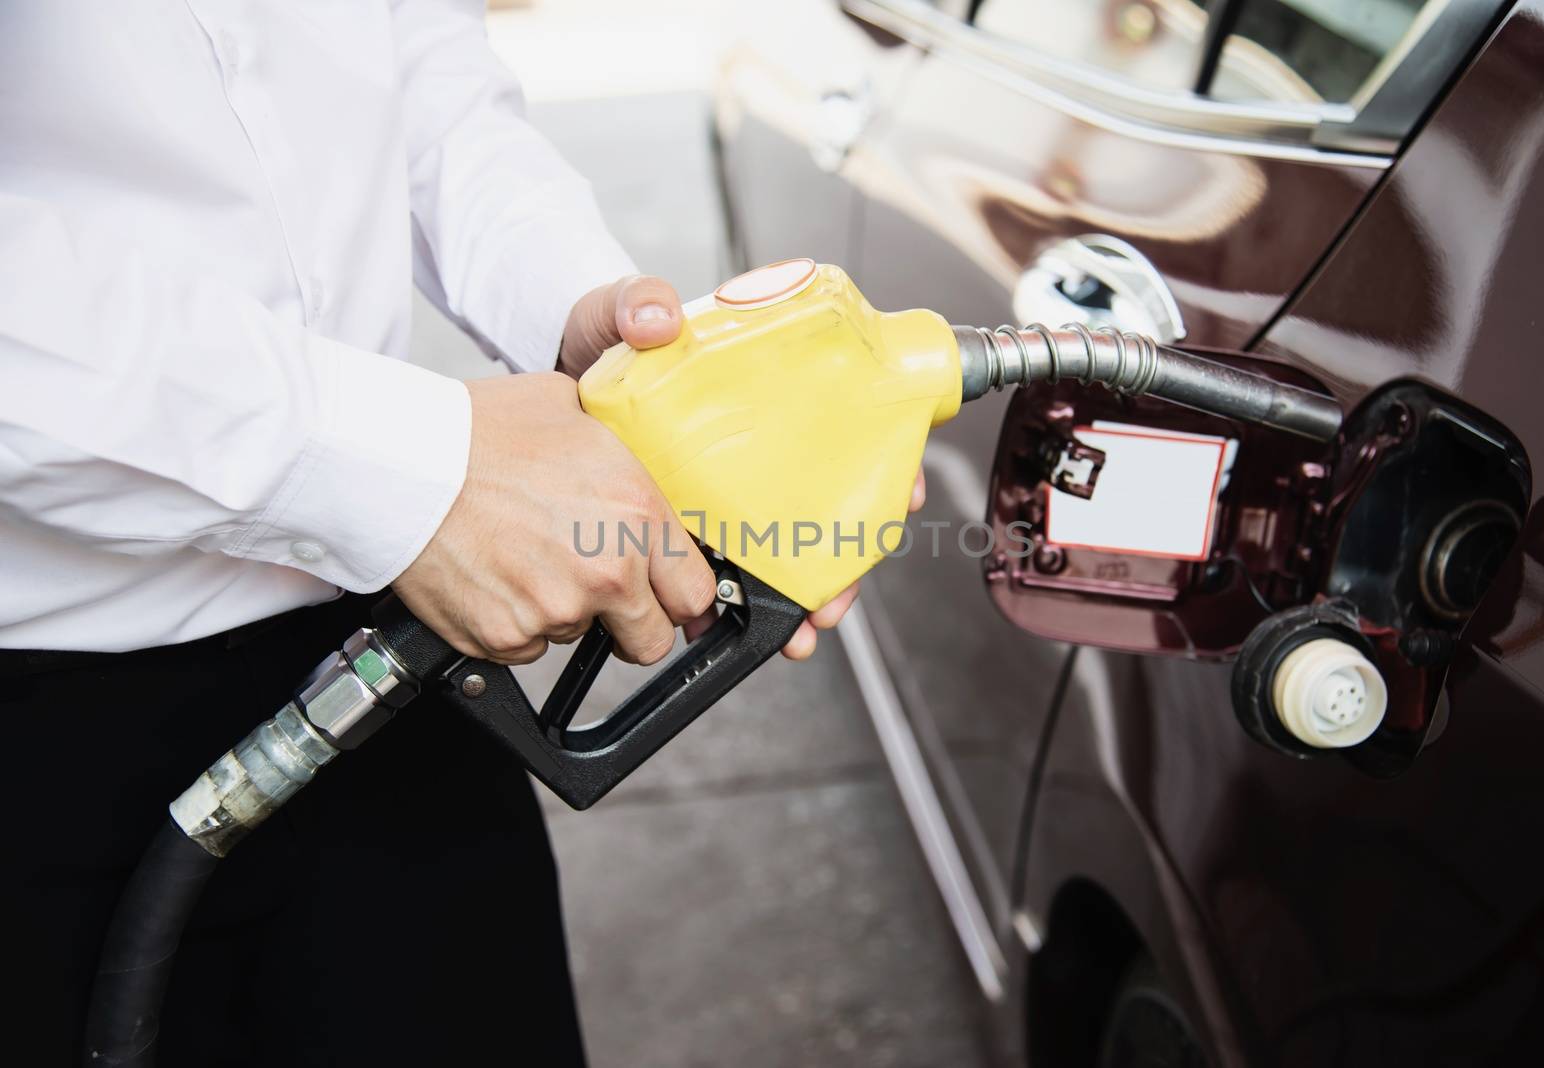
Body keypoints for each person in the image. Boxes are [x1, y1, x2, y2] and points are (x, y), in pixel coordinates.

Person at [0, 3, 919, 1064]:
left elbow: (428, 82)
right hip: (48, 722)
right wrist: (397, 466)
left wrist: (599, 334)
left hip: (390, 641)